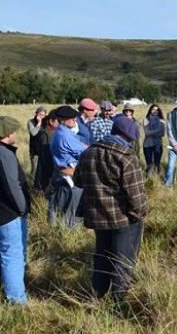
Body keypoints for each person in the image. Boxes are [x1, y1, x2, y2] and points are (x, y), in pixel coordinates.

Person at [74, 116, 148, 301]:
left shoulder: (89, 152)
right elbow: (136, 196)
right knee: (123, 260)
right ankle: (118, 300)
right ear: (128, 137)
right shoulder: (127, 157)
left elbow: (78, 181)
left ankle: (97, 295)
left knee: (102, 256)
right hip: (124, 219)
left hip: (97, 217)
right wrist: (140, 215)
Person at [0, 116, 31, 304]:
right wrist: (23, 209)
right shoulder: (4, 154)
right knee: (13, 257)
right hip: (9, 214)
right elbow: (13, 186)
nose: (15, 135)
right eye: (13, 131)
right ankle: (17, 300)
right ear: (7, 133)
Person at [49, 105, 87, 227]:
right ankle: (70, 234)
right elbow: (83, 150)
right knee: (73, 208)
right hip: (70, 175)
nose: (75, 120)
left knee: (58, 205)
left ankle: (55, 229)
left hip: (62, 174)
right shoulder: (64, 135)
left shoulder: (60, 132)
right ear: (63, 119)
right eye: (72, 118)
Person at [34, 110, 58, 191]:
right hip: (46, 173)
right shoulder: (45, 134)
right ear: (51, 121)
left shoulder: (53, 132)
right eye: (59, 121)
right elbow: (45, 157)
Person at [142, 104, 166, 174]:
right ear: (150, 110)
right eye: (153, 109)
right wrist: (158, 130)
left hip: (157, 144)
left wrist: (151, 132)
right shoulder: (146, 120)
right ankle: (148, 178)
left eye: (157, 110)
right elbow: (146, 133)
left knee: (157, 164)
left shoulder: (162, 121)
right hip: (147, 144)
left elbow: (162, 134)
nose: (155, 111)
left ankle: (156, 179)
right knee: (149, 164)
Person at [27, 106, 47, 176]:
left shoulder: (46, 123)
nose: (41, 116)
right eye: (40, 114)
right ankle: (31, 184)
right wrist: (39, 123)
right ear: (36, 114)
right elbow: (33, 133)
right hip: (34, 150)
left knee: (44, 169)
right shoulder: (31, 122)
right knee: (34, 169)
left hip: (44, 149)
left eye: (43, 115)